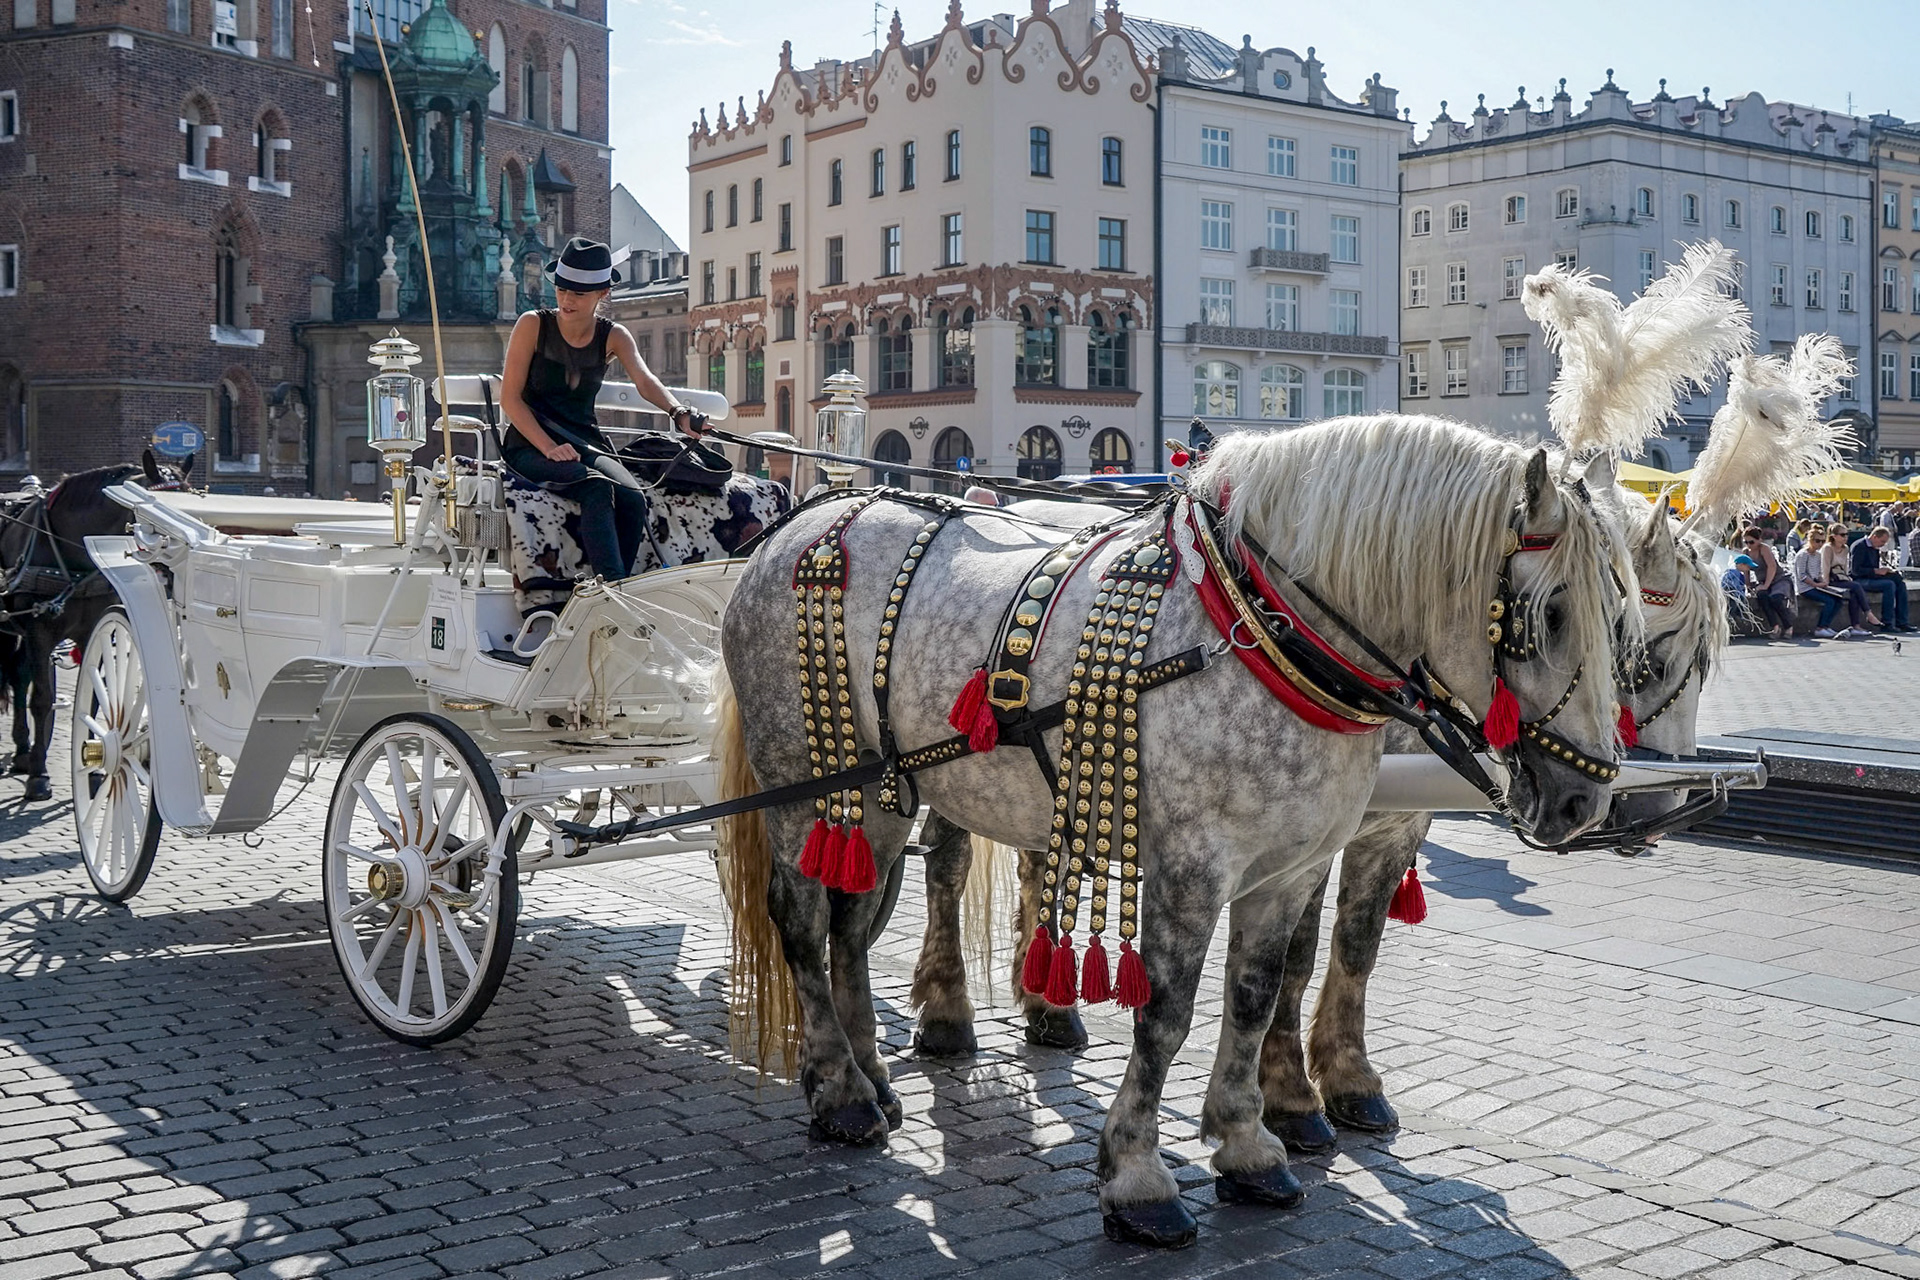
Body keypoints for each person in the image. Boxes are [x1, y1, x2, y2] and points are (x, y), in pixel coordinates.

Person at [498, 237, 705, 583]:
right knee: (595, 487)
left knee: (633, 498)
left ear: (602, 294)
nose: (566, 299)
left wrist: (679, 412)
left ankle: (619, 582)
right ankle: (609, 589)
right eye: (562, 289)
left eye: (578, 293)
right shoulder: (532, 325)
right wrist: (548, 447)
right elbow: (510, 399)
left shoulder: (614, 336)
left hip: (585, 442)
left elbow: (645, 380)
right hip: (529, 443)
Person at [1792, 528, 1870, 638]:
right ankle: (1820, 628)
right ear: (1810, 540)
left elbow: (1818, 573)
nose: (1820, 544)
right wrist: (1816, 585)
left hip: (1816, 586)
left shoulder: (1818, 555)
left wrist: (1822, 582)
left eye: (1822, 541)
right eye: (1817, 541)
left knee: (1838, 599)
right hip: (1805, 588)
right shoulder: (1803, 554)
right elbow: (1802, 576)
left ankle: (1826, 626)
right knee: (1829, 601)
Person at [1850, 524, 1914, 632]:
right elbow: (1855, 571)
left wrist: (1886, 571)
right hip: (1860, 580)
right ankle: (1887, 623)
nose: (1882, 545)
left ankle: (1902, 621)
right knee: (1889, 585)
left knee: (1900, 583)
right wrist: (1876, 571)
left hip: (1871, 576)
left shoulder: (1874, 547)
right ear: (1874, 537)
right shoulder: (1859, 546)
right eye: (1882, 542)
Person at [1738, 527, 1794, 639]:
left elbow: (1772, 567)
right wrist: (1748, 586)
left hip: (1779, 579)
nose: (1749, 545)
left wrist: (1766, 586)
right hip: (1763, 580)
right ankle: (1775, 627)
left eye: (1751, 542)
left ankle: (1789, 626)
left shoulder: (1764, 549)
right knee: (1762, 596)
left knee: (1776, 598)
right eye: (1746, 542)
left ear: (1759, 540)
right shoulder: (1746, 552)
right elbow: (1746, 570)